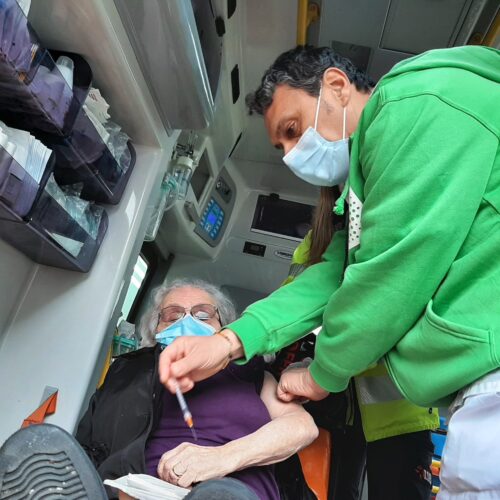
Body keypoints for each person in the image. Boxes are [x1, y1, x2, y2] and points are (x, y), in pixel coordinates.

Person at [158, 45, 500, 499]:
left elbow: (388, 279)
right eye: (282, 146)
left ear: (336, 86)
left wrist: (322, 374)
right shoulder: (364, 190)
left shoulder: (417, 103)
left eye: (294, 129)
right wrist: (228, 342)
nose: (292, 155)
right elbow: (332, 275)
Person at [76, 278, 318, 499]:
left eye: (203, 316)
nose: (188, 323)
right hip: (143, 490)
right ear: (155, 331)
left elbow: (302, 427)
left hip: (235, 492)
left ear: (225, 327)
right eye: (172, 317)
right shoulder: (130, 372)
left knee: (219, 494)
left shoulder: (252, 373)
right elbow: (92, 443)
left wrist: (220, 458)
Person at [277, 223, 436, 500]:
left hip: (399, 411)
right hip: (328, 406)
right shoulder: (320, 237)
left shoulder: (412, 225)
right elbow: (290, 310)